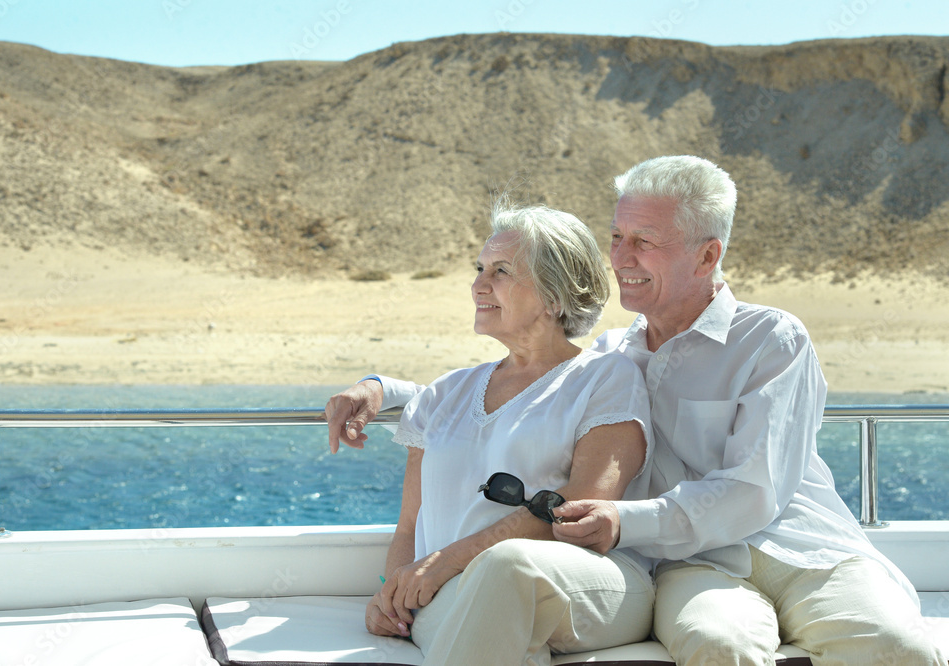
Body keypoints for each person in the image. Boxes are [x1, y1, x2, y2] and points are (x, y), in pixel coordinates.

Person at [325, 156, 944, 665]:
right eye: (617, 238)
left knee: (900, 648)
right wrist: (382, 388)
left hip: (805, 550)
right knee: (717, 645)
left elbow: (754, 494)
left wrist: (625, 522)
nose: (621, 257)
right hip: (699, 566)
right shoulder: (613, 357)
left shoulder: (771, 340)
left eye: (644, 243)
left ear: (707, 256)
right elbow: (518, 380)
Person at [326, 202, 656, 665]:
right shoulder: (444, 394)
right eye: (480, 268)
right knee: (488, 623)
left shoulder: (605, 379)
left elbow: (580, 505)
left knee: (506, 569)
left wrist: (446, 562)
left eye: (501, 271)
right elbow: (410, 525)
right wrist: (391, 592)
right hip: (456, 590)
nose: (479, 284)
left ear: (554, 295)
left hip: (586, 582)